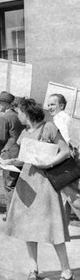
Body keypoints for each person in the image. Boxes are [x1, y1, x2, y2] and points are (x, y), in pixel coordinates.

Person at [5, 98, 75, 280]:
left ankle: (67, 273)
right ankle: (33, 268)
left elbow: (65, 151)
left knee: (53, 228)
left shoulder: (49, 128)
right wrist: (11, 161)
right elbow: (24, 158)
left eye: (19, 111)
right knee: (28, 227)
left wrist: (49, 164)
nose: (17, 115)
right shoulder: (24, 133)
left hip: (45, 183)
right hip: (27, 182)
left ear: (27, 112)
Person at [48, 94, 80, 223]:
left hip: (65, 163)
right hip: (71, 161)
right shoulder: (66, 118)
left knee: (73, 197)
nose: (49, 107)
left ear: (61, 105)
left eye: (53, 104)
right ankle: (63, 228)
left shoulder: (60, 119)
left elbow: (65, 141)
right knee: (65, 196)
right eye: (49, 104)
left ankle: (62, 228)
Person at [0, 91, 25, 221]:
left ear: (6, 104)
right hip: (20, 150)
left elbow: (1, 138)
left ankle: (11, 213)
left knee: (9, 184)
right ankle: (20, 212)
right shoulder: (19, 116)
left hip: (8, 151)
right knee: (18, 183)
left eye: (0, 102)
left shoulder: (4, 117)